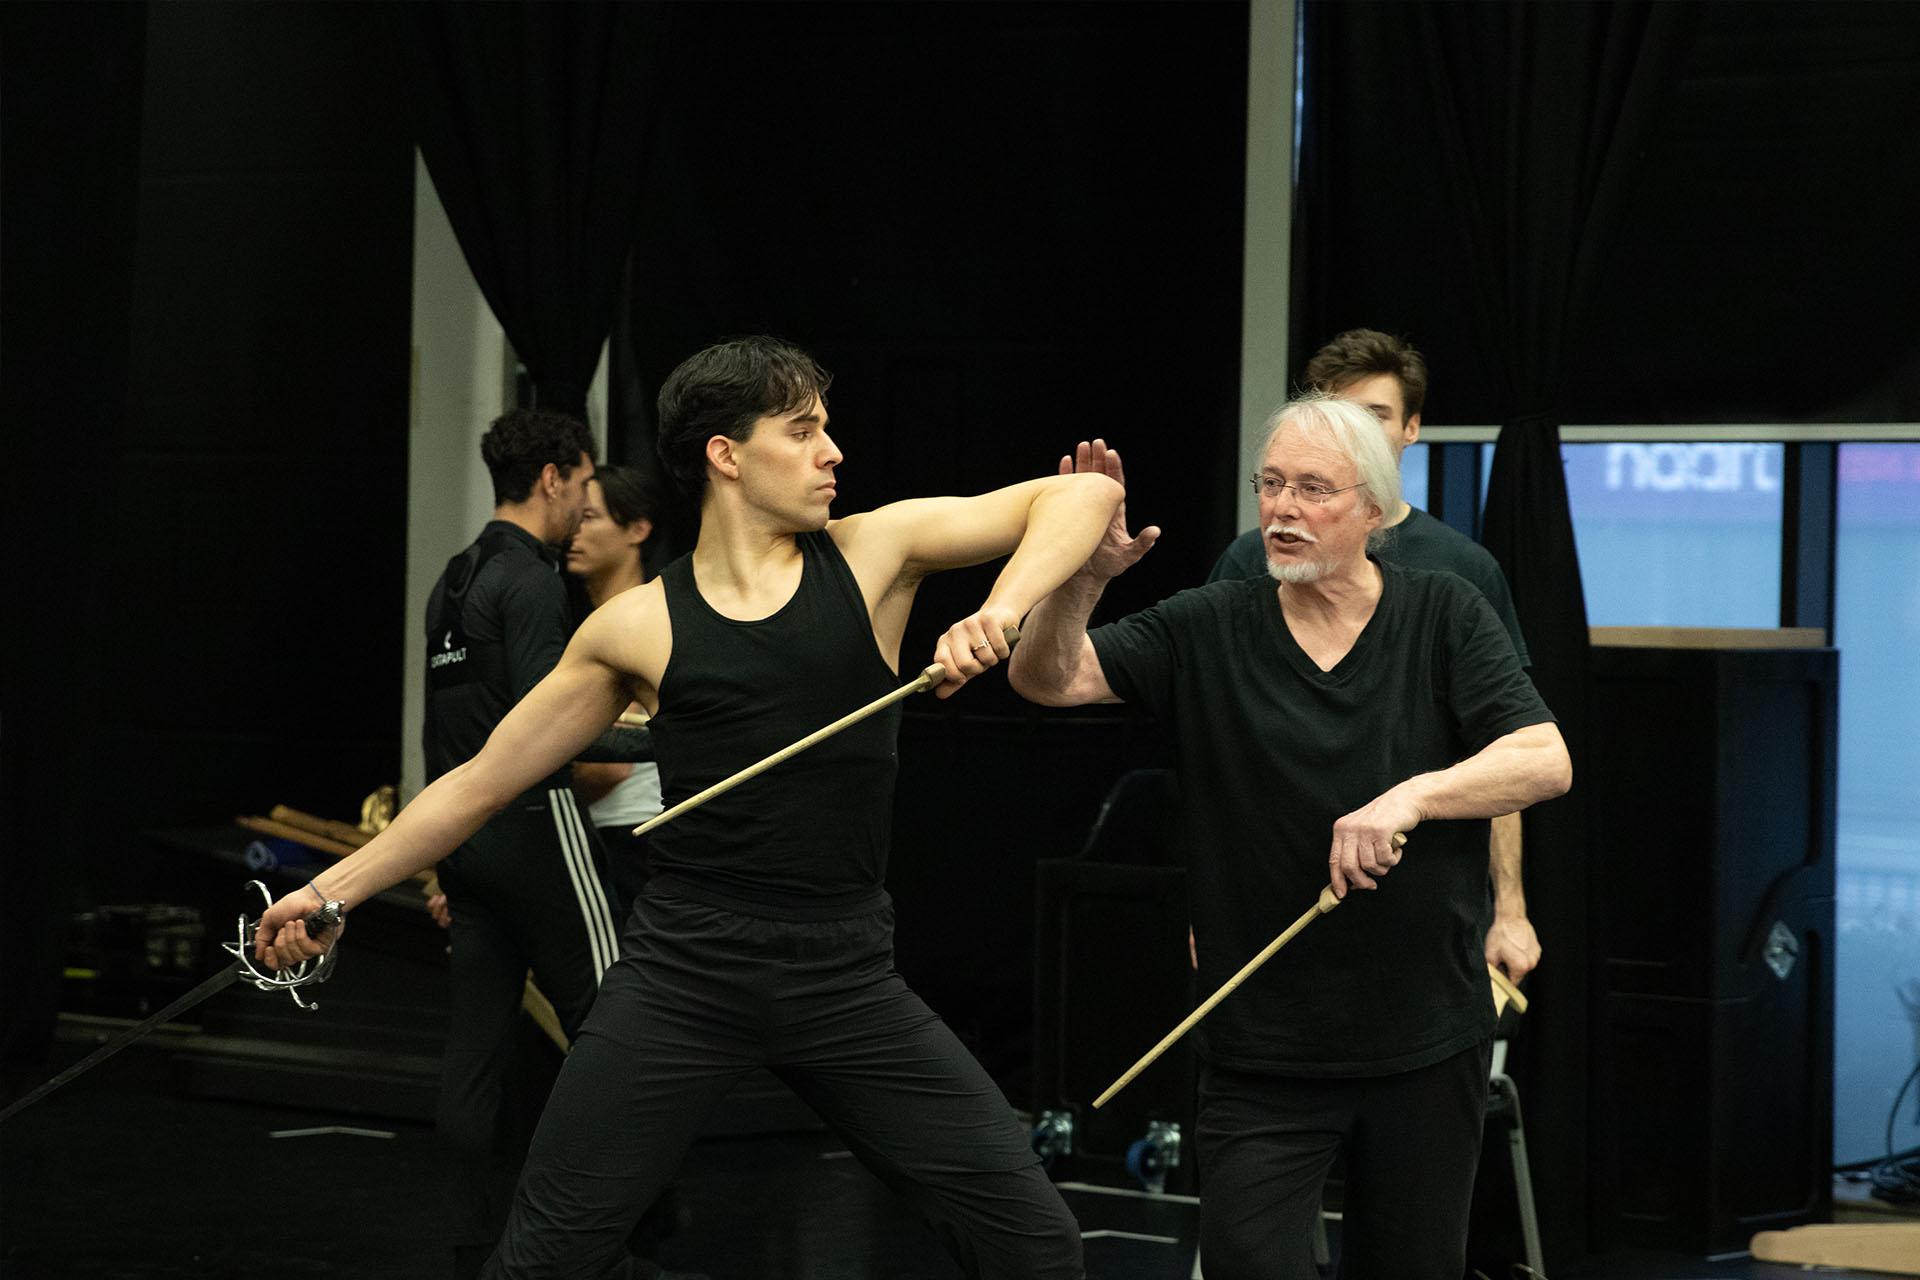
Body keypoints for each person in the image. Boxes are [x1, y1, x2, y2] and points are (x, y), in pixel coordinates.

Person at [259, 335, 1123, 1279]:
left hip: (843, 972)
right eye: (802, 431)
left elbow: (1082, 495)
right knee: (542, 1261)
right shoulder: (635, 626)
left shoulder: (873, 553)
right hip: (687, 973)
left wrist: (1001, 609)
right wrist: (328, 892)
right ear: (726, 454)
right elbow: (479, 782)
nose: (832, 452)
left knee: (1037, 1243)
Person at [1009, 397, 1570, 1280]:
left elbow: (1544, 759)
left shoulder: (1445, 611)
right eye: (1271, 485)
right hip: (1260, 1045)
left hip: (1425, 1034)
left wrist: (1412, 798)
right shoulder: (1210, 622)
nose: (1282, 509)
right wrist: (1083, 578)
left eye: (1313, 489)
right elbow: (1049, 679)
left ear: (1373, 511)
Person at [1208, 329, 1541, 984]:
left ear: (1411, 428)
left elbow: (1505, 747)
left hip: (1423, 906)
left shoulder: (1461, 572)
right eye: (1338, 413)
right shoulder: (1254, 559)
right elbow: (1217, 744)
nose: (1355, 431)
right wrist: (1207, 903)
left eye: (1376, 415)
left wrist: (1511, 909)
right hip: (1272, 895)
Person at [419, 408, 656, 1278]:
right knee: (620, 1026)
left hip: (467, 836)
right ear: (553, 478)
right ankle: (602, 1249)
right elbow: (555, 730)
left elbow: (443, 733)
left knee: (475, 1054)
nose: (585, 505)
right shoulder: (529, 581)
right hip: (533, 822)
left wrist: (438, 853)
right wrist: (679, 737)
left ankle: (477, 1248)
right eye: (583, 484)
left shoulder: (453, 579)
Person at [565, 464, 665, 921]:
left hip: (633, 835)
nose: (574, 531)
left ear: (638, 529)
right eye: (574, 516)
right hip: (602, 831)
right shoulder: (590, 621)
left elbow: (609, 768)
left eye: (589, 517)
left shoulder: (642, 618)